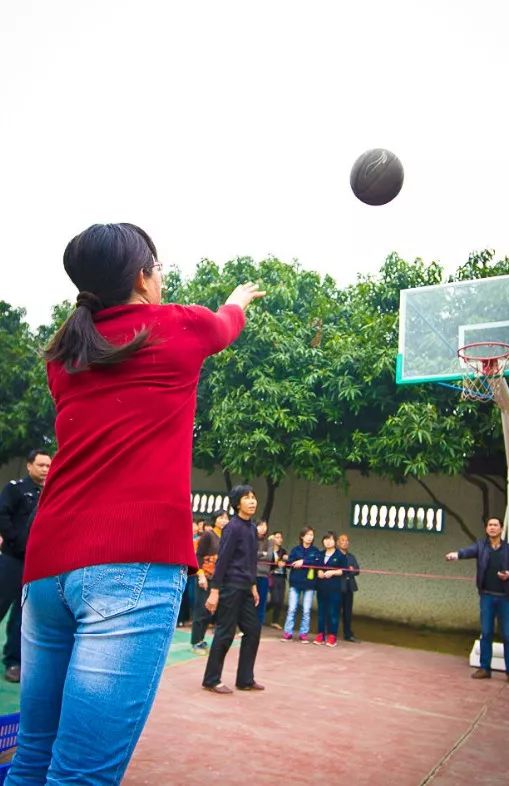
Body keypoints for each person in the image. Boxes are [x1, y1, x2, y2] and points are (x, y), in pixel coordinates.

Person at [5, 223, 264, 785]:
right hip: (128, 566)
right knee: (81, 775)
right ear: (144, 277)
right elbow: (224, 326)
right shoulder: (179, 326)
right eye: (159, 267)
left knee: (32, 759)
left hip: (46, 572)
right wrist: (237, 300)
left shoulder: (66, 353)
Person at [445, 516, 509, 686]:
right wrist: (456, 555)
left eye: (495, 525)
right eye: (490, 525)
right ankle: (484, 668)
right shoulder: (481, 546)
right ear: (486, 529)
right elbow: (468, 551)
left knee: (508, 635)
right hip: (487, 596)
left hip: (505, 599)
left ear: (501, 529)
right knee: (486, 633)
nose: (492, 527)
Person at [202, 485, 264, 694]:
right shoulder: (233, 527)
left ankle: (245, 679)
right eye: (247, 498)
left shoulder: (252, 529)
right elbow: (223, 560)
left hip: (246, 588)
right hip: (230, 586)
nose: (252, 501)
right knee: (225, 632)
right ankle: (211, 680)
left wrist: (254, 586)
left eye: (253, 497)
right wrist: (215, 590)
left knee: (253, 630)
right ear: (238, 503)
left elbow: (250, 561)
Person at [0, 449, 51, 683]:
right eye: (40, 465)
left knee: (23, 615)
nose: (45, 470)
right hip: (12, 559)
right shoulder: (15, 488)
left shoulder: (51, 493)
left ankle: (13, 662)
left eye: (48, 466)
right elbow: (3, 515)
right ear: (29, 466)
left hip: (35, 564)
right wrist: (17, 542)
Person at [190, 508, 229, 654]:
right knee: (201, 609)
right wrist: (200, 575)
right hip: (205, 576)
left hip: (217, 577)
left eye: (226, 518)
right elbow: (198, 556)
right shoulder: (208, 535)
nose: (224, 521)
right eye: (221, 518)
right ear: (215, 519)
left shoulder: (225, 536)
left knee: (209, 611)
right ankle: (195, 642)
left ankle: (201, 640)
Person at [281, 526, 321, 643]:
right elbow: (289, 562)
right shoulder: (295, 550)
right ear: (302, 537)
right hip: (295, 583)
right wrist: (289, 562)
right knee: (292, 609)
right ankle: (288, 632)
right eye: (307, 535)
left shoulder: (315, 551)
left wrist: (303, 562)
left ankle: (304, 634)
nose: (310, 537)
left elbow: (317, 561)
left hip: (309, 584)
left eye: (312, 535)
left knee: (306, 610)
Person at [314, 531, 347, 647]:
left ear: (335, 542)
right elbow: (315, 567)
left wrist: (332, 572)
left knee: (333, 612)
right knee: (321, 612)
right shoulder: (320, 554)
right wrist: (318, 572)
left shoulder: (340, 556)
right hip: (321, 588)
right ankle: (320, 634)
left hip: (334, 588)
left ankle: (332, 636)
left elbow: (344, 570)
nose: (328, 542)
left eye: (331, 539)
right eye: (326, 539)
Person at [337, 533, 360, 642]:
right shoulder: (335, 556)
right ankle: (331, 633)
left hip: (349, 587)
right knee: (334, 611)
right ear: (338, 543)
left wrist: (352, 570)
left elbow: (357, 570)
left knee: (347, 612)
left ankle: (348, 634)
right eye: (343, 540)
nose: (345, 542)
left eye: (347, 540)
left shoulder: (351, 557)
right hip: (337, 587)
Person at [267, 531, 288, 629]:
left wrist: (286, 561)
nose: (280, 539)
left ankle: (275, 621)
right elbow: (267, 563)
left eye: (281, 537)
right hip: (272, 576)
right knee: (274, 599)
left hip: (282, 576)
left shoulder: (283, 551)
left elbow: (287, 563)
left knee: (280, 600)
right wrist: (276, 564)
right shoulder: (269, 550)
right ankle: (261, 612)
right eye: (277, 537)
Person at [255, 519, 270, 625]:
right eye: (260, 525)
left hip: (264, 575)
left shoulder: (269, 542)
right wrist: (262, 553)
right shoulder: (251, 539)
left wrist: (258, 554)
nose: (263, 528)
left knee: (262, 601)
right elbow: (251, 554)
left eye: (265, 526)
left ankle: (258, 625)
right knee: (250, 601)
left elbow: (269, 556)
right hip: (252, 574)